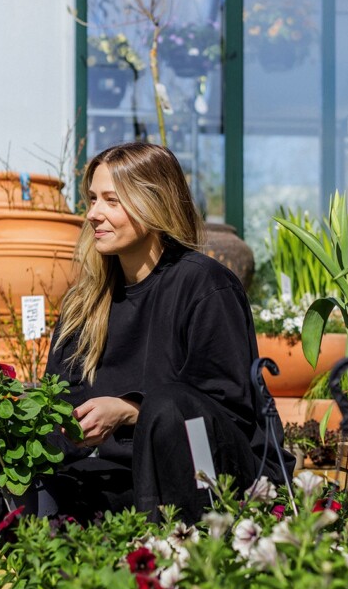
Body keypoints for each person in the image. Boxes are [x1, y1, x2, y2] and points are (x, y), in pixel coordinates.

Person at [37, 141, 294, 524]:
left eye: (112, 200)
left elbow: (224, 411)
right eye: (92, 199)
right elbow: (58, 400)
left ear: (152, 204)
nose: (94, 214)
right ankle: (34, 572)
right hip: (122, 478)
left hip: (210, 479)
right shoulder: (84, 303)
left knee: (169, 406)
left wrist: (128, 411)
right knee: (16, 466)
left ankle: (178, 555)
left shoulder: (205, 286)